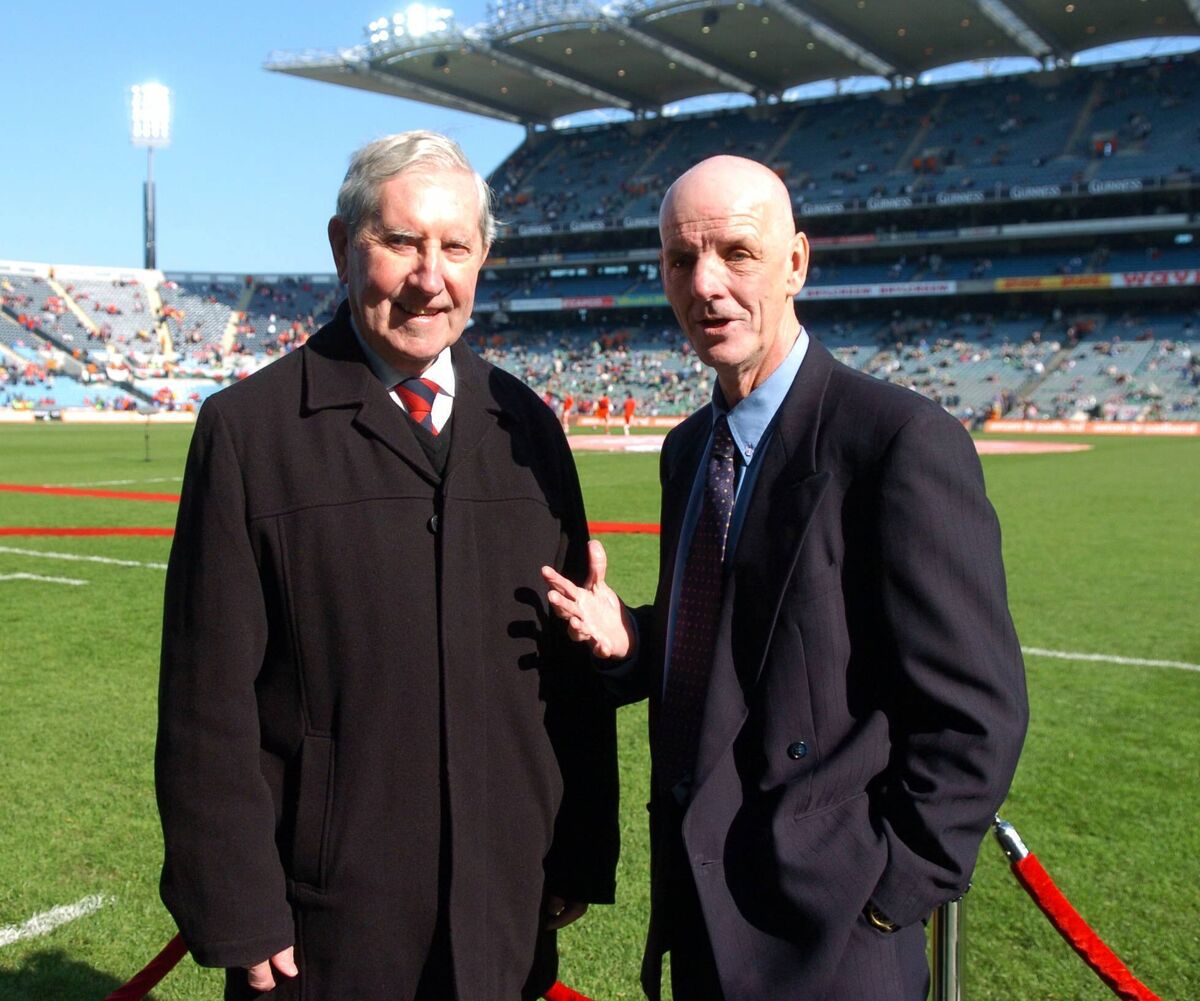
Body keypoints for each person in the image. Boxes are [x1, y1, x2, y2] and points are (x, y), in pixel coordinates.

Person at [543, 155, 1028, 1001]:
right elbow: (733, 639)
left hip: (834, 938)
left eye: (737, 252)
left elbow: (977, 708)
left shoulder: (895, 440)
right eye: (681, 259)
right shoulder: (690, 446)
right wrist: (633, 637)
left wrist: (890, 894)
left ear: (797, 261)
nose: (707, 284)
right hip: (703, 905)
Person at [156, 131, 619, 1001]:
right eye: (401, 242)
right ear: (342, 245)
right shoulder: (249, 432)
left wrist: (577, 850)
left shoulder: (529, 430)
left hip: (504, 909)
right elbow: (205, 700)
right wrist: (237, 902)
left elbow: (566, 668)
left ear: (483, 258)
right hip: (327, 924)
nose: (429, 276)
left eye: (455, 247)